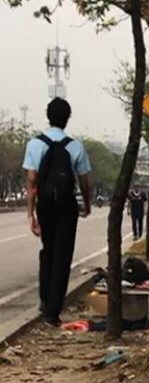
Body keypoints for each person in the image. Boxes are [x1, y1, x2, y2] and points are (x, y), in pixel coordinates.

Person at [23, 97, 93, 327]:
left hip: (45, 204)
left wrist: (31, 215)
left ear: (48, 116)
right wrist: (88, 204)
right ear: (67, 118)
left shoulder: (35, 144)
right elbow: (84, 181)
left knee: (48, 249)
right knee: (63, 256)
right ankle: (53, 312)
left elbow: (32, 182)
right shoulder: (75, 146)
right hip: (66, 205)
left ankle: (44, 299)